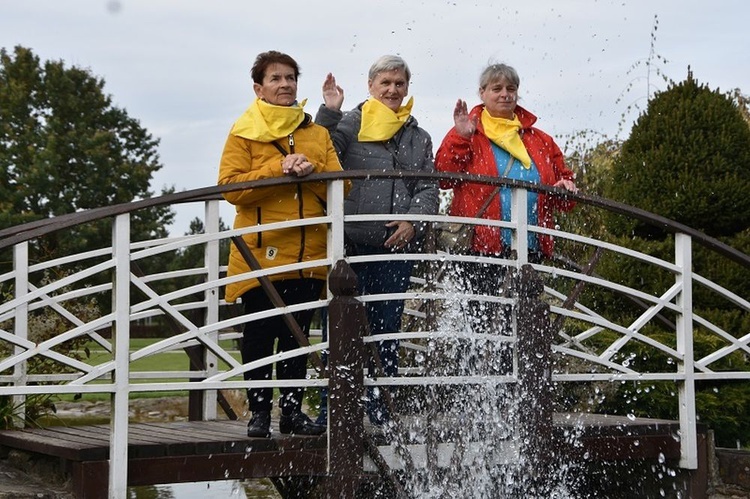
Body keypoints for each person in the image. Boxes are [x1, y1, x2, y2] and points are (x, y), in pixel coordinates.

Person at [218, 50, 345, 438]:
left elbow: (344, 185)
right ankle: (259, 414)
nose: (285, 84)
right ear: (259, 87)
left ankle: (291, 413)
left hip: (309, 255)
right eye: (275, 78)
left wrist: (313, 170)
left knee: (296, 339)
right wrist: (279, 167)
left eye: (290, 77)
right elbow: (230, 187)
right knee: (259, 337)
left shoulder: (317, 134)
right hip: (260, 256)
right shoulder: (243, 131)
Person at [315, 55, 439, 426]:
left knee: (387, 331)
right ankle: (331, 411)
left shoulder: (418, 136)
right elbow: (324, 156)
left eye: (399, 83)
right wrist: (329, 112)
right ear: (370, 86)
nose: (392, 90)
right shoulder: (350, 124)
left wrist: (413, 222)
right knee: (340, 330)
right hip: (349, 246)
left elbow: (428, 188)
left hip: (394, 247)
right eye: (385, 82)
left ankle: (381, 409)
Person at [435, 61, 577, 347]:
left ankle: (516, 385)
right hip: (479, 245)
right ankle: (476, 384)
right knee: (479, 322)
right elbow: (443, 176)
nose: (505, 94)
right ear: (482, 93)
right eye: (496, 88)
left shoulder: (540, 140)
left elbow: (565, 186)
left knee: (521, 324)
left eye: (510, 89)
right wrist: (460, 136)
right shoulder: (470, 132)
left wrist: (565, 187)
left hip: (529, 244)